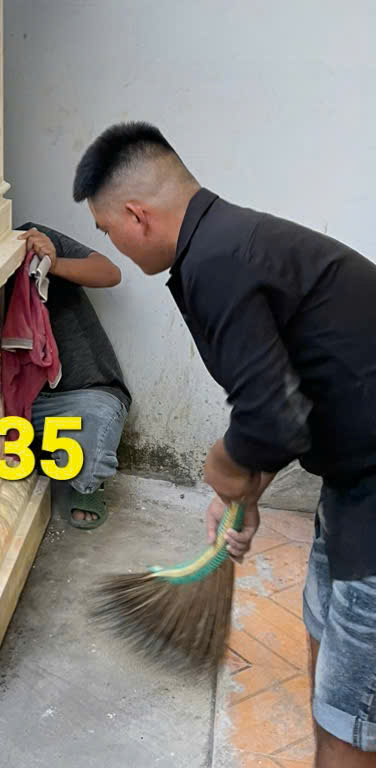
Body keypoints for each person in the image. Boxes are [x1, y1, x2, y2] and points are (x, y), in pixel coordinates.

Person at [72, 121, 376, 766]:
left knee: (350, 720)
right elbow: (293, 394)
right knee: (328, 651)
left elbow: (270, 417)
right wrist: (246, 487)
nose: (112, 243)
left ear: (136, 215)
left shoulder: (218, 261)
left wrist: (225, 465)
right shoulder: (228, 243)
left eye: (107, 229)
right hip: (354, 480)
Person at [9, 220, 131, 528]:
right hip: (21, 404)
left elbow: (110, 273)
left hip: (79, 398)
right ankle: (47, 456)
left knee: (96, 418)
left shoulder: (30, 240)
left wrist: (54, 263)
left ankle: (85, 483)